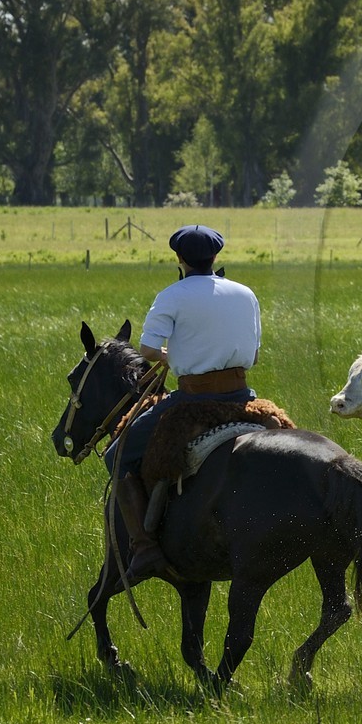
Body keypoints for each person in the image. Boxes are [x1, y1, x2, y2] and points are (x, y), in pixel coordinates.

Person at [104, 224, 262, 581]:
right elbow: (254, 353)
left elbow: (146, 350)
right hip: (241, 397)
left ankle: (143, 547)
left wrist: (170, 356)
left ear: (179, 258)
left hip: (194, 398)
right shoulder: (245, 293)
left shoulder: (172, 295)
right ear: (216, 257)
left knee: (117, 454)